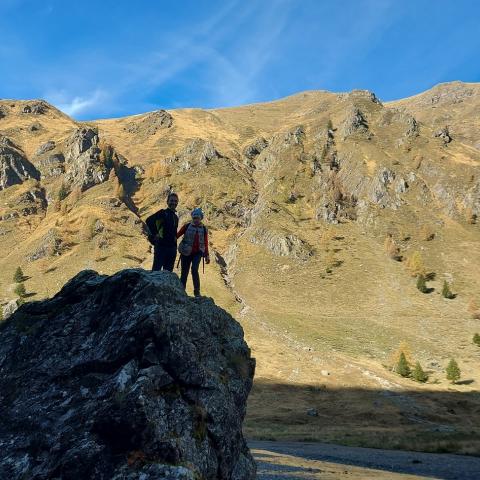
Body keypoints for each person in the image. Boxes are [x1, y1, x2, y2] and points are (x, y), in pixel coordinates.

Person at [177, 208, 210, 296]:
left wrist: (207, 255)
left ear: (201, 218)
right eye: (194, 217)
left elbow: (206, 242)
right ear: (192, 217)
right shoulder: (187, 226)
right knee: (184, 272)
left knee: (194, 270)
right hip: (185, 252)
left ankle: (197, 292)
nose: (196, 219)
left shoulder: (204, 229)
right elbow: (177, 235)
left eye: (197, 218)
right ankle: (181, 291)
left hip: (198, 253)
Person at [145, 192, 179, 271]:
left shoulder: (176, 217)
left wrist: (175, 242)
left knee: (168, 273)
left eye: (175, 201)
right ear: (167, 202)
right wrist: (156, 233)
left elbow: (173, 231)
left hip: (171, 249)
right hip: (161, 247)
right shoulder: (163, 213)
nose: (173, 202)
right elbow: (149, 221)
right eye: (171, 201)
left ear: (177, 202)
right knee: (156, 271)